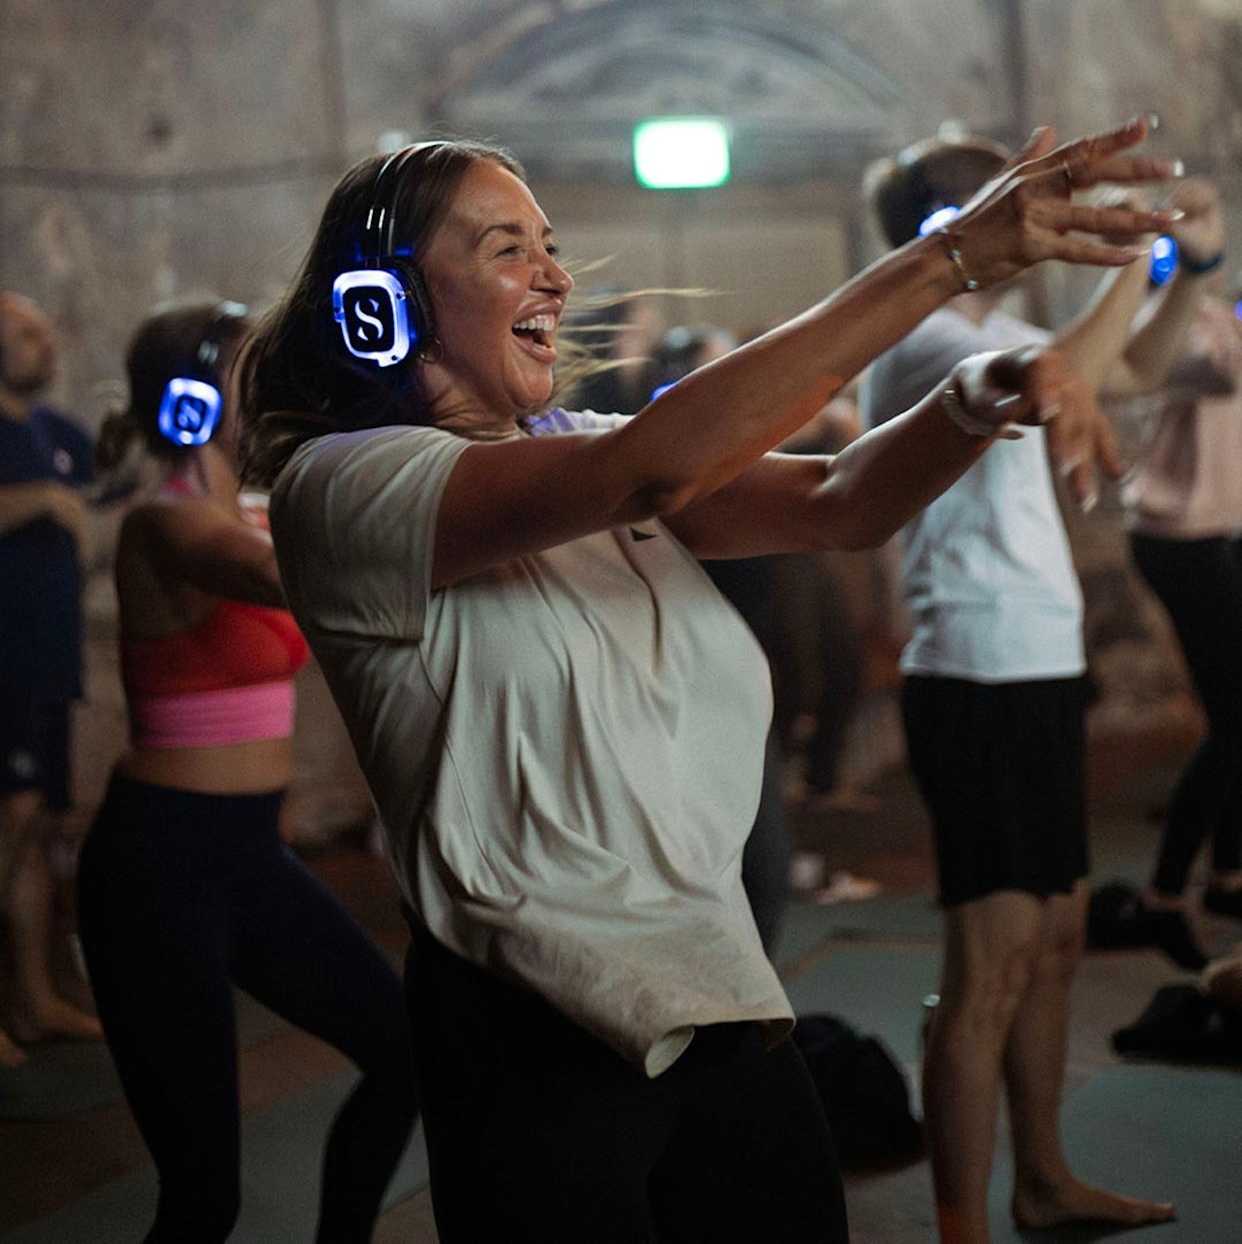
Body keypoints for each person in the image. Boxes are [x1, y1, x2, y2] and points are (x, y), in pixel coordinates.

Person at [239, 124, 1177, 1244]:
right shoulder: (345, 485)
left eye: (550, 244)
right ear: (374, 305)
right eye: (505, 250)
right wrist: (953, 257)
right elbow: (656, 463)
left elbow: (840, 499)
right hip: (535, 1027)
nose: (553, 276)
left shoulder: (580, 445)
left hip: (716, 988)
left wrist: (983, 388)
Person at [862, 135, 1217, 1244]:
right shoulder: (915, 339)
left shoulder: (1006, 330)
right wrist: (1136, 248)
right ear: (946, 223)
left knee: (1057, 937)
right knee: (990, 962)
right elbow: (1071, 369)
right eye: (1013, 199)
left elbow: (1141, 369)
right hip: (976, 670)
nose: (1038, 213)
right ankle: (963, 1221)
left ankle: (1046, 1181)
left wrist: (1187, 272)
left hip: (1037, 664)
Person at [76, 302, 419, 1244]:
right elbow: (292, 573)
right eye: (251, 368)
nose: (272, 384)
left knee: (406, 1059)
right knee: (202, 1197)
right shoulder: (166, 523)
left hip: (249, 861)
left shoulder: (263, 509)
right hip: (157, 868)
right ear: (192, 399)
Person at [1119, 206, 1242, 958]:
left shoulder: (1212, 316)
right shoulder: (1157, 326)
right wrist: (1203, 266)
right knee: (1234, 719)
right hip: (1176, 538)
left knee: (1241, 716)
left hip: (1218, 531)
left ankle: (1227, 871)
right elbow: (1224, 375)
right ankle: (1165, 893)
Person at [0, 291, 102, 1068]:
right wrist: (35, 500)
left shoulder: (59, 431)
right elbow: (55, 506)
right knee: (9, 825)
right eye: (26, 333)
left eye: (46, 329)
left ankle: (33, 1003)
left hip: (48, 664)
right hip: (5, 664)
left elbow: (117, 485)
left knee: (34, 834)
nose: (47, 342)